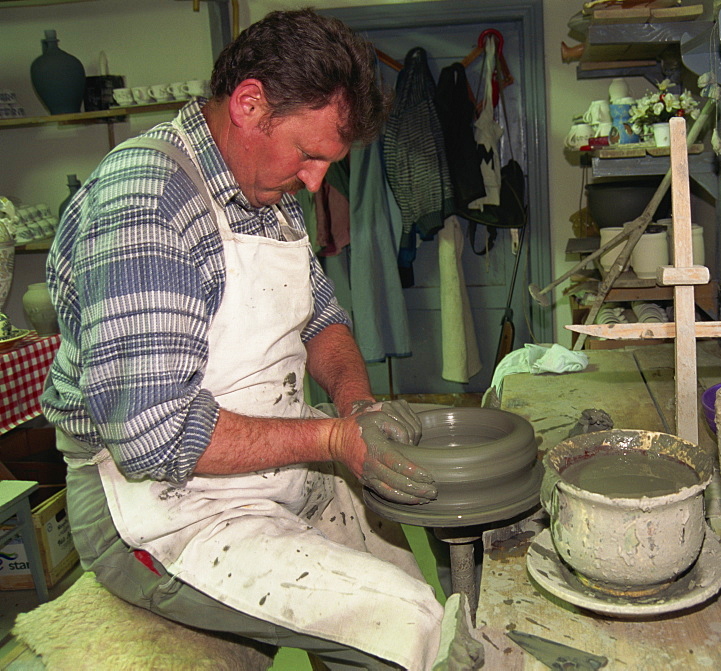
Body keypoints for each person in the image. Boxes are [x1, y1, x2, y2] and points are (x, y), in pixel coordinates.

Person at [41, 9, 483, 670]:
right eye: (309, 156)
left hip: (265, 459)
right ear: (250, 104)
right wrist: (332, 439)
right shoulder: (147, 202)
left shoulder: (261, 186)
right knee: (412, 625)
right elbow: (151, 435)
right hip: (156, 505)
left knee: (411, 573)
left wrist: (355, 405)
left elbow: (320, 316)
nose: (314, 182)